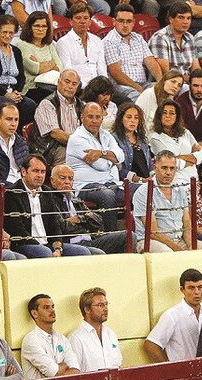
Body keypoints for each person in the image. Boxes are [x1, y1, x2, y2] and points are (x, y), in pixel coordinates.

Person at [132, 151, 202, 252]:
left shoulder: (180, 190)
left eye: (172, 168)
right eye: (164, 168)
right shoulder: (144, 192)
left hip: (179, 240)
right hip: (150, 241)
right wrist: (177, 249)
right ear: (155, 167)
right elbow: (152, 232)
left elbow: (187, 224)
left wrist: (191, 247)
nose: (168, 172)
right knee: (169, 254)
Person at [67, 102, 126, 232]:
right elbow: (101, 166)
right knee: (107, 195)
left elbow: (121, 156)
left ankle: (141, 237)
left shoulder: (106, 135)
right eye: (90, 117)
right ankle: (112, 237)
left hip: (113, 183)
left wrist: (101, 153)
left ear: (102, 119)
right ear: (82, 118)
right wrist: (112, 159)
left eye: (98, 117)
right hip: (86, 186)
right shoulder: (77, 139)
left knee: (142, 191)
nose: (94, 121)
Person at [46, 163, 127, 254]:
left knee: (129, 236)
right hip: (71, 244)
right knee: (98, 253)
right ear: (52, 180)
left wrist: (78, 219)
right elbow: (61, 227)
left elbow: (97, 221)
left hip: (90, 241)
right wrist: (85, 221)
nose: (67, 182)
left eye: (70, 178)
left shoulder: (75, 199)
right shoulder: (49, 200)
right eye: (62, 178)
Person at [0, 15, 38, 130]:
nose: (7, 35)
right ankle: (6, 134)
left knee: (31, 105)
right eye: (4, 32)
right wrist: (5, 93)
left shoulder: (16, 51)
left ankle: (21, 135)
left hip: (12, 92)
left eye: (11, 32)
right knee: (10, 106)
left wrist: (17, 92)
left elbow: (21, 77)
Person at [145, 268, 202, 362]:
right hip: (184, 371)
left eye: (200, 287)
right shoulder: (172, 316)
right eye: (191, 288)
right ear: (182, 290)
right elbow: (151, 345)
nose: (197, 292)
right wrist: (169, 370)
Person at [104, 3, 163, 101]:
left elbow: (151, 62)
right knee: (139, 98)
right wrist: (139, 89)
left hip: (143, 84)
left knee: (164, 93)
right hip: (121, 87)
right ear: (114, 21)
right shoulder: (109, 41)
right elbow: (116, 74)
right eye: (121, 21)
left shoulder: (138, 38)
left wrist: (161, 82)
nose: (125, 25)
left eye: (128, 21)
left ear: (133, 22)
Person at [21, 293, 81, 379]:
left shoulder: (62, 339)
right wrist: (64, 367)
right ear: (34, 313)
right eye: (46, 307)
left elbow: (76, 370)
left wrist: (60, 368)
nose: (52, 310)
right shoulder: (31, 340)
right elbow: (53, 372)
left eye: (52, 307)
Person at [149, 100, 202, 187]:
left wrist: (180, 157)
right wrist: (193, 159)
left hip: (193, 179)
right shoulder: (155, 138)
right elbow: (170, 163)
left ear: (177, 116)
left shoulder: (185, 132)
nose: (168, 116)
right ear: (159, 116)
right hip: (173, 181)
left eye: (172, 113)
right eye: (164, 113)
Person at [32, 69, 84, 165]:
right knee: (76, 159)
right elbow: (55, 134)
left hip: (75, 146)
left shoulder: (81, 105)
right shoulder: (47, 104)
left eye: (74, 84)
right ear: (58, 82)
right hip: (51, 149)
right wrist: (80, 144)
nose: (70, 87)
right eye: (67, 82)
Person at [12, 11, 63, 104]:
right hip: (31, 88)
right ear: (30, 28)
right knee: (58, 96)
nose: (41, 29)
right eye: (37, 26)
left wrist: (41, 64)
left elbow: (60, 68)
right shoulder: (22, 45)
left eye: (44, 26)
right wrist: (51, 64)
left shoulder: (49, 45)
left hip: (50, 85)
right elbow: (34, 69)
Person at [69, 287, 122, 371]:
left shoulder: (110, 334)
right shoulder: (76, 338)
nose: (105, 309)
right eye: (100, 305)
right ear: (87, 309)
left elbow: (118, 365)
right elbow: (74, 373)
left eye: (106, 304)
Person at [55, 3, 107, 89]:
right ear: (71, 21)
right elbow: (67, 72)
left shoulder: (97, 40)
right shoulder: (63, 43)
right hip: (77, 88)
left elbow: (102, 69)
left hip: (99, 88)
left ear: (90, 22)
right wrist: (88, 88)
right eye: (78, 18)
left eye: (86, 18)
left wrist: (104, 86)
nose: (82, 21)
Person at [149, 2, 200, 77]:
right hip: (169, 82)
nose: (186, 22)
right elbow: (165, 72)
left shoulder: (190, 37)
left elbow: (196, 67)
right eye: (181, 17)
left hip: (189, 81)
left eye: (188, 18)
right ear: (171, 19)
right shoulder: (160, 38)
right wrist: (187, 80)